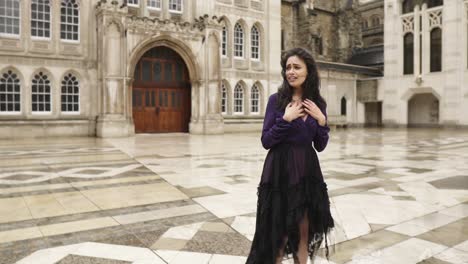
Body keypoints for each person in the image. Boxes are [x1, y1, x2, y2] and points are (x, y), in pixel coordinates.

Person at [246, 48, 334, 264]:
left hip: (306, 173)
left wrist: (322, 121)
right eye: (288, 68)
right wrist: (285, 119)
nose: (291, 72)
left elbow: (320, 145)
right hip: (279, 172)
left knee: (303, 232)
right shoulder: (276, 101)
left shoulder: (317, 104)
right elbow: (266, 141)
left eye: (297, 67)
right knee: (278, 234)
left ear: (308, 71)